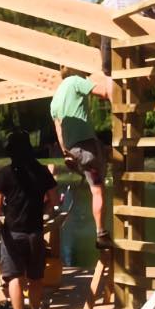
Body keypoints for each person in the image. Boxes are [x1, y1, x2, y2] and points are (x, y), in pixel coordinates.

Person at [0, 130, 57, 309]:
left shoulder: (5, 173)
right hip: (35, 232)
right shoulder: (42, 171)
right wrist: (44, 209)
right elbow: (53, 200)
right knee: (36, 277)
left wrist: (3, 211)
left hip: (13, 232)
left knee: (15, 278)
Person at [50, 67, 113, 250]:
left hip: (74, 152)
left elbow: (59, 130)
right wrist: (109, 76)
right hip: (87, 149)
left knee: (99, 162)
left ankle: (105, 153)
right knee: (98, 191)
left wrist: (66, 154)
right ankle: (102, 234)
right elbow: (104, 92)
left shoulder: (54, 99)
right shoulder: (75, 81)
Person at [96, 0, 155, 73]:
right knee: (140, 40)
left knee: (107, 40)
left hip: (108, 7)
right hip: (129, 11)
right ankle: (140, 64)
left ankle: (107, 66)